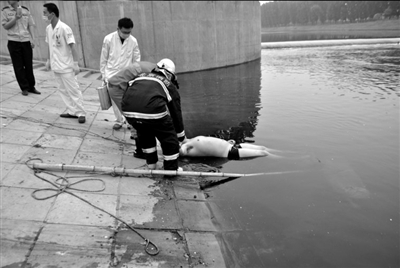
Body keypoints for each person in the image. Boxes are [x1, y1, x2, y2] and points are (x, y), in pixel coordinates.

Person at [121, 59, 186, 171]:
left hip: (129, 111)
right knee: (169, 138)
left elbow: (128, 91)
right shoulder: (167, 83)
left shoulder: (139, 76)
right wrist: (180, 136)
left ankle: (151, 164)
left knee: (144, 132)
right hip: (152, 112)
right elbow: (176, 112)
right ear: (170, 74)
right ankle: (171, 169)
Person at [43, 3, 86, 123]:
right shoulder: (48, 29)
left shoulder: (64, 28)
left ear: (52, 14)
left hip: (66, 66)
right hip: (56, 66)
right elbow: (49, 46)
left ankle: (81, 112)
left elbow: (73, 46)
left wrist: (76, 63)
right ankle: (72, 111)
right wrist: (48, 60)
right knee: (62, 90)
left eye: (45, 13)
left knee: (73, 90)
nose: (44, 15)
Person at [107, 61, 156, 158]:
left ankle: (138, 139)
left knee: (137, 116)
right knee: (134, 117)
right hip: (117, 88)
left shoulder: (152, 67)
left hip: (124, 86)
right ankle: (140, 150)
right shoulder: (150, 74)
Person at [100, 17, 141, 130]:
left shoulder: (133, 41)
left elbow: (136, 59)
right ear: (118, 29)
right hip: (112, 73)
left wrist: (135, 75)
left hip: (126, 74)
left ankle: (129, 122)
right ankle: (119, 120)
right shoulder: (108, 39)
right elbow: (103, 58)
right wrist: (103, 75)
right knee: (114, 99)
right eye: (124, 32)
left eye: (129, 32)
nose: (126, 35)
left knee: (127, 99)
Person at [2, 0, 40, 96]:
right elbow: (5, 26)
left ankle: (31, 87)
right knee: (18, 66)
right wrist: (15, 18)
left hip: (26, 41)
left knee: (28, 65)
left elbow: (30, 25)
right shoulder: (5, 11)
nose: (8, 0)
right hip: (13, 41)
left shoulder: (25, 10)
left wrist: (33, 39)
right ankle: (24, 87)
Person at [179, 136, 279, 160]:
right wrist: (181, 147)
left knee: (263, 148)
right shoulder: (186, 147)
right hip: (229, 153)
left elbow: (210, 142)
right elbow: (181, 152)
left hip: (230, 145)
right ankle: (285, 159)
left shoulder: (190, 140)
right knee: (263, 153)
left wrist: (227, 142)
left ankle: (288, 153)